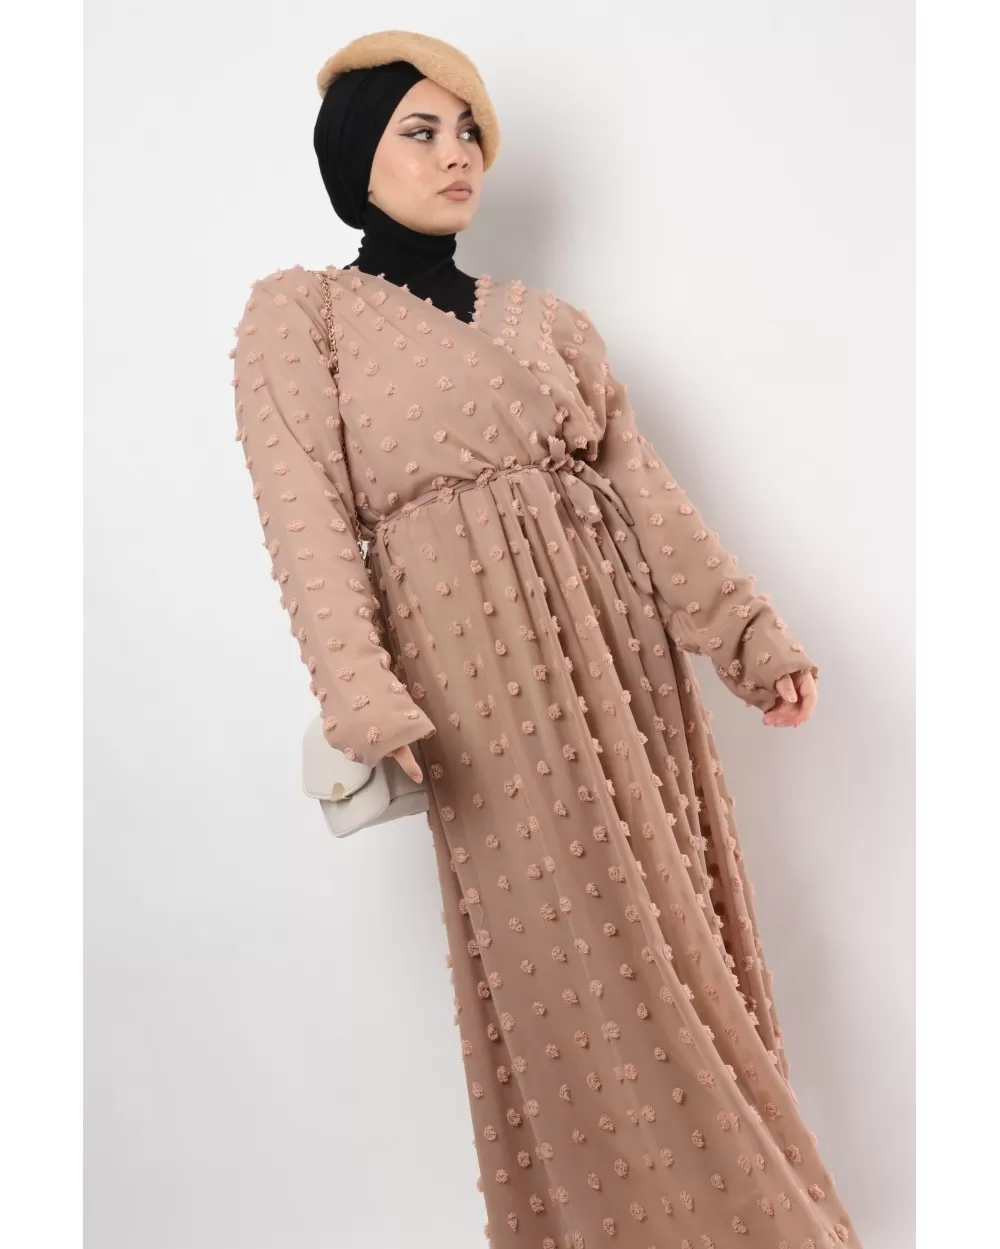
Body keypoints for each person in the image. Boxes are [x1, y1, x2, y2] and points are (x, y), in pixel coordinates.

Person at [229, 29, 859, 1249]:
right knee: (579, 969)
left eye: (468, 130)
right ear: (355, 154)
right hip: (476, 683)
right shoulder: (300, 316)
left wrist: (749, 637)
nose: (455, 151)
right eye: (420, 130)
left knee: (682, 944)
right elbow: (301, 513)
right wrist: (364, 694)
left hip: (626, 659)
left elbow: (645, 494)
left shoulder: (549, 323)